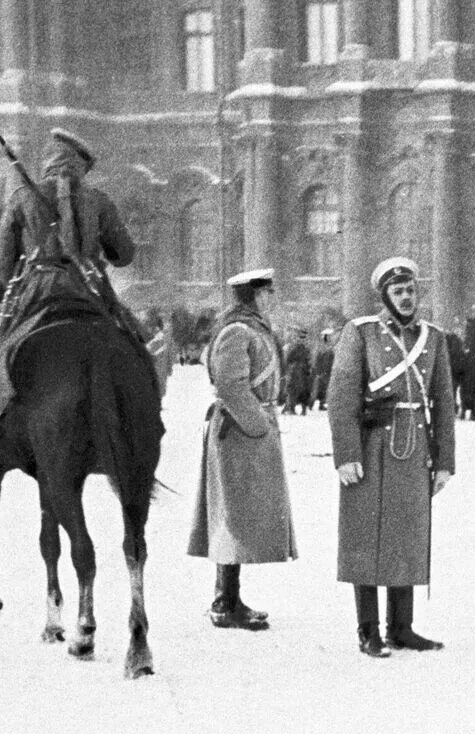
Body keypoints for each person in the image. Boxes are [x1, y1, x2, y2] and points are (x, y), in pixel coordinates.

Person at [0, 128, 146, 459]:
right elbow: (125, 254)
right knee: (132, 342)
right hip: (89, 291)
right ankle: (140, 424)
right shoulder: (98, 200)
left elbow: (0, 264)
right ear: (81, 166)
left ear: (48, 161)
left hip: (36, 291)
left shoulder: (21, 198)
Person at [328, 257, 456, 658]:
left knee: (407, 535)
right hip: (370, 446)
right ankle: (368, 629)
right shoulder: (361, 333)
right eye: (398, 291)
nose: (406, 297)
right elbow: (341, 396)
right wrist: (346, 454)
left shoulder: (433, 338)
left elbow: (444, 401)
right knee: (365, 536)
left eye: (411, 290)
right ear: (384, 295)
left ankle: (401, 627)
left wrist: (445, 460)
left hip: (414, 447)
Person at [187, 268, 297, 632]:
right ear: (253, 296)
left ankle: (231, 598)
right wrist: (258, 424)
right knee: (232, 517)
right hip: (238, 431)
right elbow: (231, 385)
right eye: (266, 294)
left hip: (247, 431)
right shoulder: (237, 331)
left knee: (242, 515)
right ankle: (223, 603)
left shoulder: (250, 328)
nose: (271, 300)